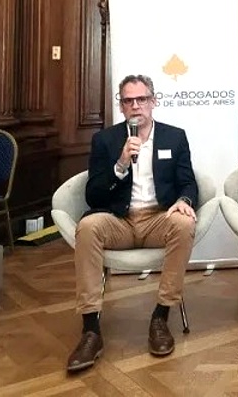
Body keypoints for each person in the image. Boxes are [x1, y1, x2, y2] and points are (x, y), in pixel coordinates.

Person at [67, 74, 198, 372]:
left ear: (154, 101)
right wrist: (121, 164)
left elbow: (188, 183)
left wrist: (185, 201)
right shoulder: (106, 140)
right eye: (128, 101)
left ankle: (161, 316)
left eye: (142, 99)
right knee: (87, 228)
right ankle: (90, 329)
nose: (136, 106)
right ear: (121, 105)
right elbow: (93, 194)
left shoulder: (174, 137)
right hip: (119, 221)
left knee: (183, 224)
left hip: (158, 219)